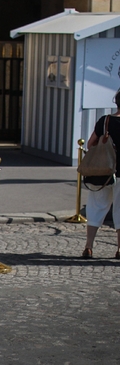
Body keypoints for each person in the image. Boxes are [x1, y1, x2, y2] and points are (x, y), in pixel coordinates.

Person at [81, 90, 120, 259]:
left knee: (96, 207)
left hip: (103, 172)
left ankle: (89, 246)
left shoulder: (105, 121)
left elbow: (91, 144)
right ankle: (119, 249)